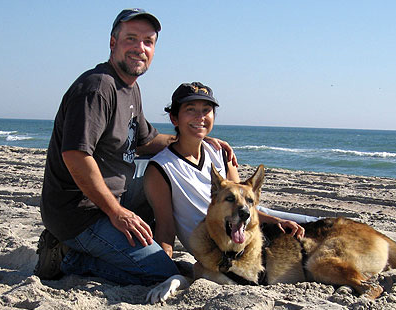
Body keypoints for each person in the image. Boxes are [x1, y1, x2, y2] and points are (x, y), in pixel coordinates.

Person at [35, 9, 235, 286]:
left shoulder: (129, 88)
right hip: (79, 214)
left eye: (148, 42)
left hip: (116, 195)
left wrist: (196, 137)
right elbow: (76, 156)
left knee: (162, 176)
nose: (140, 48)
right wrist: (117, 213)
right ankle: (68, 256)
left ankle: (144, 245)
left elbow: (147, 141)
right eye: (131, 39)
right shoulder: (96, 88)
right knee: (164, 273)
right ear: (113, 43)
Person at [144, 82, 318, 257]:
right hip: (222, 244)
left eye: (206, 110)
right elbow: (165, 228)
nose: (200, 117)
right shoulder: (161, 168)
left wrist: (276, 221)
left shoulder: (219, 152)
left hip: (249, 222)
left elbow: (242, 205)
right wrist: (164, 267)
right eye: (190, 109)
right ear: (174, 118)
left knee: (318, 225)